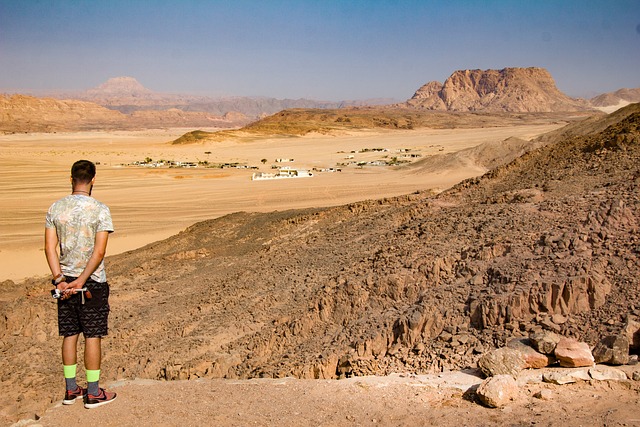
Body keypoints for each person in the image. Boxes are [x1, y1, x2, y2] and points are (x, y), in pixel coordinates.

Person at [44, 159, 117, 409]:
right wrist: (81, 281)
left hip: (64, 285)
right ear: (93, 179)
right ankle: (94, 392)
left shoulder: (56, 208)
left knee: (70, 334)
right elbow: (99, 252)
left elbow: (49, 247)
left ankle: (71, 389)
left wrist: (60, 279)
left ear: (71, 178)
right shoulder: (100, 209)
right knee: (93, 335)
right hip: (92, 283)